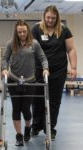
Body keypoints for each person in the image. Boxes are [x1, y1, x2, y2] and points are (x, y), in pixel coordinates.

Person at [31, 5, 77, 140]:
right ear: (44, 17)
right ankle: (35, 126)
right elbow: (31, 49)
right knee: (37, 99)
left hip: (58, 71)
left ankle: (50, 128)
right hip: (39, 70)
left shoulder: (64, 30)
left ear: (57, 18)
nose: (50, 20)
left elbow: (71, 50)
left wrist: (73, 68)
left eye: (53, 18)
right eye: (48, 17)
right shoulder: (36, 29)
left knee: (54, 100)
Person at [1, 19, 49, 146]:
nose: (22, 34)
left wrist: (45, 69)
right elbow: (5, 58)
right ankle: (19, 135)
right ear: (16, 32)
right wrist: (4, 69)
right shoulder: (11, 44)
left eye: (24, 31)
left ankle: (28, 127)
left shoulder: (34, 43)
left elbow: (43, 58)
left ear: (27, 31)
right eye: (19, 32)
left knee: (26, 109)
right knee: (16, 108)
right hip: (14, 80)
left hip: (29, 81)